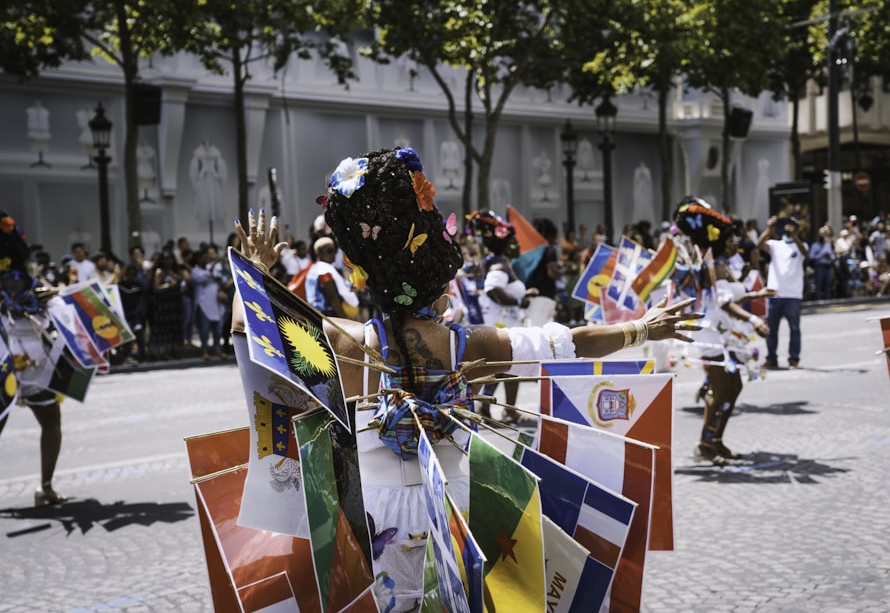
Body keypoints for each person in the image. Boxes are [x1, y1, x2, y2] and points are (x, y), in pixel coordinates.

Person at [233, 146, 699, 611]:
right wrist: (642, 328)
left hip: (376, 518)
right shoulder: (469, 345)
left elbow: (247, 327)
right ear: (436, 279)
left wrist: (254, 269)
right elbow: (570, 342)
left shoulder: (345, 343)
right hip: (458, 507)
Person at [0, 210, 66, 505]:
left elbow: (42, 301)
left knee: (50, 419)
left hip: (25, 352)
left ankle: (47, 487)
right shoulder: (23, 277)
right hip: (18, 352)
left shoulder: (25, 280)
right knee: (50, 420)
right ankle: (46, 487)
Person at [691, 230, 772, 465]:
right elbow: (725, 303)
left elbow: (732, 298)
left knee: (733, 387)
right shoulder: (714, 265)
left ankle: (715, 439)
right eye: (732, 238)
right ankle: (704, 445)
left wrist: (758, 293)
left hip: (725, 337)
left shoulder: (723, 265)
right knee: (720, 391)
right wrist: (753, 320)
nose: (736, 241)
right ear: (723, 244)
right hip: (712, 337)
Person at [467, 208, 537, 422]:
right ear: (508, 244)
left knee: (507, 368)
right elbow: (492, 290)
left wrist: (524, 294)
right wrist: (518, 300)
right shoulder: (498, 264)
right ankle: (499, 408)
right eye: (515, 242)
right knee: (509, 366)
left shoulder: (501, 263)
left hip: (506, 322)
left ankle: (495, 408)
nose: (519, 246)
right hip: (500, 324)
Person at [758, 215, 808, 369]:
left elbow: (804, 252)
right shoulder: (775, 244)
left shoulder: (802, 245)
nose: (788, 228)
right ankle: (771, 359)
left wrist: (794, 236)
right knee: (771, 329)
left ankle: (794, 359)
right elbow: (759, 244)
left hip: (793, 295)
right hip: (774, 293)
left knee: (794, 329)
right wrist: (768, 229)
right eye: (787, 225)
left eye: (792, 226)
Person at [304, 236, 359, 319]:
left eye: (334, 251)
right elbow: (332, 297)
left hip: (317, 314)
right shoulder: (324, 269)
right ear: (319, 253)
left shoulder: (315, 268)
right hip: (327, 314)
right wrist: (344, 321)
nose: (333, 254)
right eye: (329, 251)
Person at [523, 217, 562, 328]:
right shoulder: (549, 249)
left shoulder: (528, 252)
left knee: (530, 329)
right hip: (544, 296)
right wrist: (563, 270)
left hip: (529, 295)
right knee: (539, 333)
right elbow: (552, 273)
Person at [148, 252, 185, 360]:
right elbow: (156, 288)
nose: (168, 261)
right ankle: (162, 352)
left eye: (170, 259)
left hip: (175, 304)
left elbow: (181, 282)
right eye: (166, 259)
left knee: (175, 329)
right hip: (164, 305)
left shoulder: (175, 271)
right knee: (164, 330)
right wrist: (168, 285)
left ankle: (175, 351)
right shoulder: (160, 272)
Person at [190, 247, 226, 359]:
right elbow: (201, 279)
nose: (206, 259)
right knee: (204, 329)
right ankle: (204, 350)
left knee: (217, 329)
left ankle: (217, 349)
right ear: (198, 260)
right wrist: (212, 272)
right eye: (203, 258)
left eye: (206, 257)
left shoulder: (213, 268)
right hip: (203, 304)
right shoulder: (195, 271)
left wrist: (218, 277)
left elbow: (223, 279)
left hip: (215, 303)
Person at [808, 226, 836, 300]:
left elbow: (833, 256)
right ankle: (818, 300)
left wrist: (830, 257)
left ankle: (828, 299)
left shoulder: (828, 244)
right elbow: (811, 256)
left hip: (828, 265)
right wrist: (821, 255)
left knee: (828, 284)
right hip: (819, 266)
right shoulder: (815, 245)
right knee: (819, 284)